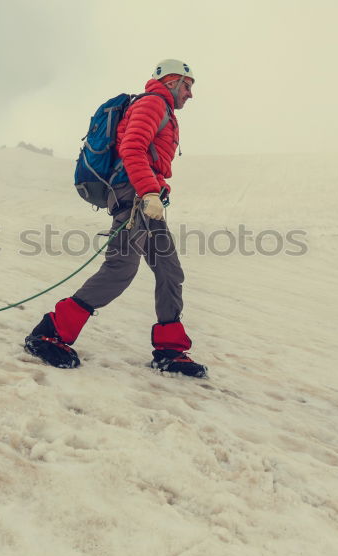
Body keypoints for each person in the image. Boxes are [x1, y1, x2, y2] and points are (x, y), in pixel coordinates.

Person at [23, 59, 207, 378]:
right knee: (121, 268)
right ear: (171, 82)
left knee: (169, 270)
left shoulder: (161, 108)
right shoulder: (153, 103)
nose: (190, 94)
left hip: (146, 197)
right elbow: (132, 148)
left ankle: (170, 350)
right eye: (187, 86)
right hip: (134, 195)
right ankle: (49, 332)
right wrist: (149, 192)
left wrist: (154, 194)